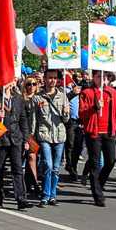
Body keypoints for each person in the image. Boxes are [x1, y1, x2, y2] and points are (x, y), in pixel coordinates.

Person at [79, 70, 116, 207]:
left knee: (111, 161)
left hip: (109, 132)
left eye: (105, 77)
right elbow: (81, 113)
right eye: (99, 76)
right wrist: (94, 107)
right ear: (94, 78)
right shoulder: (87, 93)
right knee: (95, 163)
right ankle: (97, 195)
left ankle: (99, 183)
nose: (102, 79)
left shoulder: (113, 93)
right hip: (94, 133)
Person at [0, 83, 33, 210]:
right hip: (0, 140)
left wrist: (26, 139)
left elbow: (23, 120)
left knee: (18, 169)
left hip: (15, 139)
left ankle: (21, 199)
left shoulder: (18, 98)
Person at [33, 69, 70, 207]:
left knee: (55, 167)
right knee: (48, 165)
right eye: (49, 77)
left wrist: (66, 113)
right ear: (45, 79)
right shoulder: (38, 97)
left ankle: (53, 195)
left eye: (54, 78)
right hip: (44, 135)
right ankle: (45, 195)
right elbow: (34, 119)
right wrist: (31, 136)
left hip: (59, 135)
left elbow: (65, 120)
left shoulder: (62, 96)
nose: (52, 80)